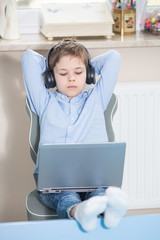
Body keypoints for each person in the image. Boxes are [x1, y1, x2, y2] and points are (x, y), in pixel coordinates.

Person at [21, 38, 128, 232]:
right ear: (51, 77)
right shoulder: (44, 101)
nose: (71, 78)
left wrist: (86, 65)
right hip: (57, 184)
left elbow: (114, 58)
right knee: (66, 197)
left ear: (87, 74)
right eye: (63, 73)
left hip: (95, 180)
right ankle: (79, 211)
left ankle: (108, 210)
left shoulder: (97, 99)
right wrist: (54, 63)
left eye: (78, 72)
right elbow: (28, 58)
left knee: (101, 193)